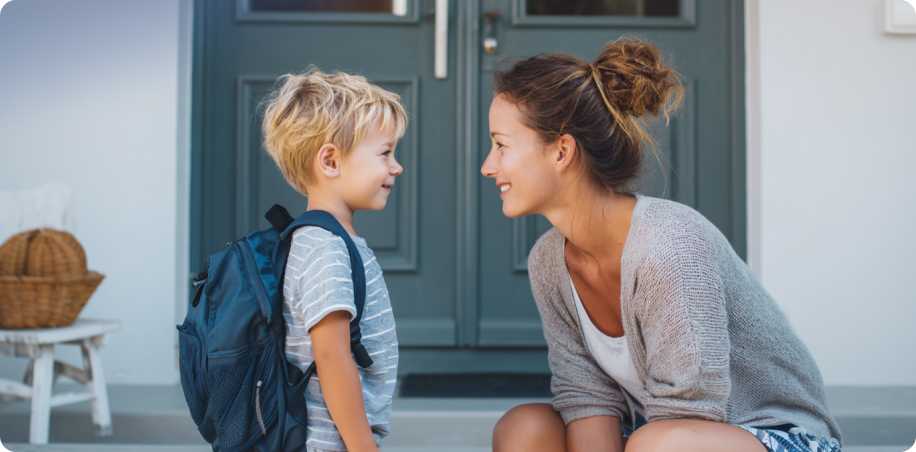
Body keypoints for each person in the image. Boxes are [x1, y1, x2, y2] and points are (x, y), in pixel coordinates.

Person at [481, 38, 843, 452]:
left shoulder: (668, 247)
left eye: (501, 145)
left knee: (660, 445)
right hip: (655, 432)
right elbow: (585, 396)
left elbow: (691, 415)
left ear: (562, 151)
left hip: (770, 436)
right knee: (525, 429)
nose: (488, 166)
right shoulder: (548, 261)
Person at [261, 68, 404, 452]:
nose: (396, 166)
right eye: (385, 153)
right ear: (330, 161)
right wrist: (362, 447)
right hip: (326, 442)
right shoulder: (325, 248)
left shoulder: (327, 241)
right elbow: (331, 355)